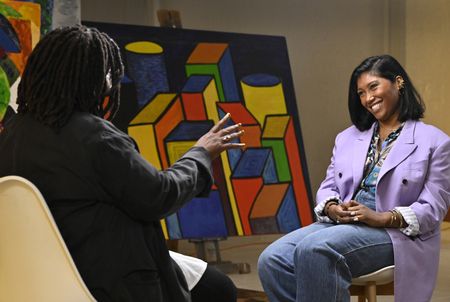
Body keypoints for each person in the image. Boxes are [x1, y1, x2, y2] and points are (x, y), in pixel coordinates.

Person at [0, 25, 245, 302]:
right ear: (95, 79)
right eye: (107, 73)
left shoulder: (11, 135)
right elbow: (159, 195)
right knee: (219, 289)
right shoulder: (96, 137)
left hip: (40, 275)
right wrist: (201, 153)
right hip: (108, 275)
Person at [258, 54, 450, 302]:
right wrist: (332, 207)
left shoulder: (435, 142)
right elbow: (328, 186)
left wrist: (381, 217)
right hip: (343, 223)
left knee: (315, 250)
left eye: (373, 87)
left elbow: (434, 208)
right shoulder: (347, 138)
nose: (368, 99)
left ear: (398, 82)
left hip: (395, 233)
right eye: (361, 93)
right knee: (271, 260)